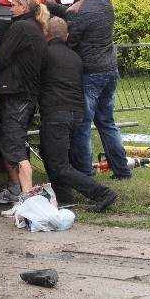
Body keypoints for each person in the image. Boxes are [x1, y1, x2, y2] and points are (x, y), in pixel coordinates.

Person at [47, 0, 132, 179]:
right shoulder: (105, 2)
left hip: (90, 72)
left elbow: (71, 39)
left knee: (84, 124)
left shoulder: (79, 10)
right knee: (107, 122)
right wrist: (52, 5)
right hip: (110, 69)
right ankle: (122, 170)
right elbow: (72, 11)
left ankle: (85, 173)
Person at [38, 17, 118, 212]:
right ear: (66, 36)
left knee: (59, 165)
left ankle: (101, 192)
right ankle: (64, 195)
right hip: (76, 114)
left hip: (56, 112)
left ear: (46, 34)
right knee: (48, 153)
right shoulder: (75, 57)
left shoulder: (45, 55)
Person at [0, 0, 48, 208]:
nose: (10, 8)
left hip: (18, 92)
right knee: (10, 139)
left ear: (23, 7)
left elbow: (3, 57)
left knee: (12, 142)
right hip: (26, 92)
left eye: (13, 5)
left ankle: (25, 194)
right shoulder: (35, 28)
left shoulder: (20, 27)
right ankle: (16, 188)